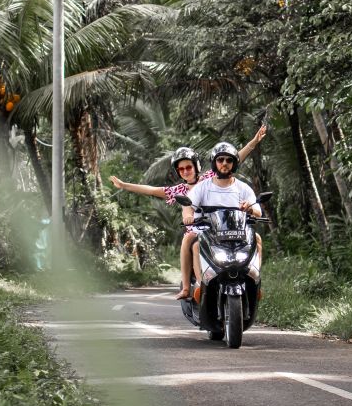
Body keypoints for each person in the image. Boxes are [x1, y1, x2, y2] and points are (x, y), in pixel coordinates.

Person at [110, 125, 266, 299]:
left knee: (255, 238)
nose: (185, 171)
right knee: (188, 239)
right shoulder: (179, 190)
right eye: (181, 169)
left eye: (188, 168)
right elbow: (152, 190)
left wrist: (254, 141)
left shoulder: (210, 178)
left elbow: (233, 159)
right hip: (199, 227)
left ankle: (253, 282)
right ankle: (187, 287)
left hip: (225, 224)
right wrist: (124, 186)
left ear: (196, 166)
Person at [182, 142, 263, 304]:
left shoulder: (243, 188)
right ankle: (194, 286)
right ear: (215, 163)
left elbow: (258, 211)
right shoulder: (202, 187)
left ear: (234, 164)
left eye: (228, 160)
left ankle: (255, 282)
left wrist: (249, 209)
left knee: (258, 239)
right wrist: (188, 216)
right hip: (208, 232)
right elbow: (188, 205)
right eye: (221, 160)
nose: (224, 163)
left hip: (238, 233)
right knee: (192, 242)